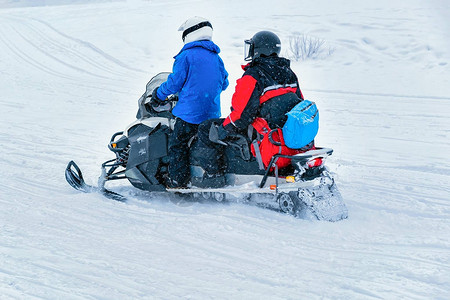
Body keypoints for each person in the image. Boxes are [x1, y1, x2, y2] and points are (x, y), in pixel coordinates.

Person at [196, 30, 305, 184]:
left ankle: (214, 176)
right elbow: (300, 103)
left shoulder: (253, 75)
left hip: (261, 132)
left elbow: (241, 115)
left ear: (257, 50)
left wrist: (224, 128)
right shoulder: (289, 73)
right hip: (284, 132)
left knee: (207, 128)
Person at [151, 16, 229, 188]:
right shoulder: (216, 57)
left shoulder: (185, 56)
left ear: (189, 34)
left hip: (189, 114)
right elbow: (224, 83)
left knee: (177, 145)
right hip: (211, 114)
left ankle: (178, 181)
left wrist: (158, 94)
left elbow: (174, 82)